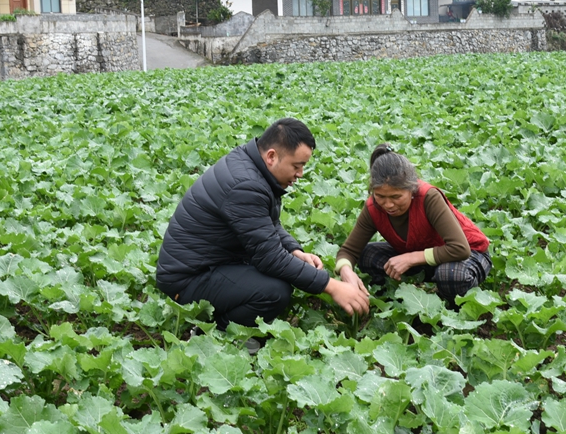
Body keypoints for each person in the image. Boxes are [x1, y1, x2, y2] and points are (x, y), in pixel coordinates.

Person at [156, 118, 369, 330]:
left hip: (210, 262)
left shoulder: (251, 164)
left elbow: (267, 224)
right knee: (274, 291)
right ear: (271, 156)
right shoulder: (246, 185)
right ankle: (214, 331)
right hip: (187, 279)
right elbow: (270, 258)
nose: (300, 174)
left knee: (280, 277)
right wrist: (331, 286)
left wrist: (294, 250)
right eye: (297, 166)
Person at [335, 144, 492, 301]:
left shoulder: (428, 198)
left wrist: (410, 258)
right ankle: (395, 298)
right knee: (367, 255)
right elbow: (349, 251)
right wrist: (346, 270)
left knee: (450, 275)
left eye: (396, 197)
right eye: (380, 196)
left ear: (411, 189)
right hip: (427, 256)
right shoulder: (373, 208)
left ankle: (452, 305)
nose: (388, 204)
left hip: (470, 253)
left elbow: (460, 248)